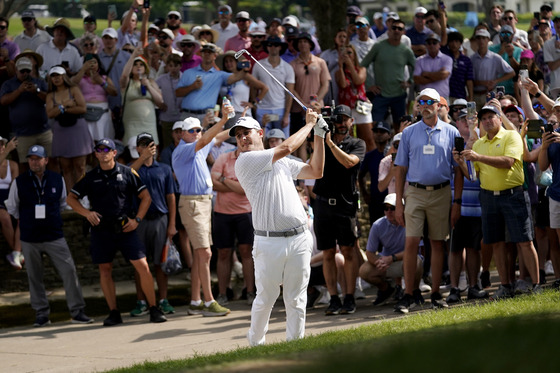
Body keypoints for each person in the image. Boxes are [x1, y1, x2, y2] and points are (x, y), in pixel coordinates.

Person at [232, 109, 326, 346]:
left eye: (247, 133)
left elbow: (316, 171)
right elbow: (285, 147)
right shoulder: (245, 160)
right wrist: (309, 125)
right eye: (238, 135)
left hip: (298, 238)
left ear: (260, 133)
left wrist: (320, 136)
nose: (242, 138)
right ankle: (255, 345)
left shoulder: (281, 161)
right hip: (268, 240)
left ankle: (296, 345)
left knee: (296, 298)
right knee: (266, 297)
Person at [67, 138, 167, 326]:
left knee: (143, 265)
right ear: (95, 154)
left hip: (125, 227)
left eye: (107, 149)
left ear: (114, 153)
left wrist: (137, 220)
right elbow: (71, 198)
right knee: (105, 269)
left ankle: (154, 308)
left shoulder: (128, 172)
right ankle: (114, 312)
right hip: (101, 230)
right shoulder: (90, 176)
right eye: (99, 149)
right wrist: (86, 213)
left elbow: (146, 198)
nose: (103, 152)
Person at [5, 145, 92, 327]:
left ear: (45, 160)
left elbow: (62, 203)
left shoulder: (56, 179)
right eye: (31, 158)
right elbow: (12, 208)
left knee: (69, 272)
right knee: (34, 277)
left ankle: (77, 311)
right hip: (30, 238)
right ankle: (41, 314)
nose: (34, 162)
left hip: (54, 236)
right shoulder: (19, 182)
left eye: (38, 158)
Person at [394, 88, 463, 313]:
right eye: (420, 102)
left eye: (429, 102)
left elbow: (459, 171)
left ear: (439, 105)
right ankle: (408, 294)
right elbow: (400, 168)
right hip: (414, 192)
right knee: (411, 242)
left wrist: (457, 202)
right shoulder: (409, 133)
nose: (424, 106)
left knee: (437, 243)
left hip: (442, 192)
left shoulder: (452, 132)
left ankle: (434, 293)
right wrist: (398, 202)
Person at [460, 105, 540, 297]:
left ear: (498, 118)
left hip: (513, 195)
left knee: (524, 240)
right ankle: (505, 285)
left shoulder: (511, 136)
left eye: (491, 117)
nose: (487, 121)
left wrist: (478, 157)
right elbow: (474, 175)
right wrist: (462, 163)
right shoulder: (478, 144)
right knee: (496, 242)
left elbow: (508, 162)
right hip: (488, 197)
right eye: (484, 118)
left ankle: (536, 285)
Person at [172, 111, 232, 317]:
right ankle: (209, 302)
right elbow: (209, 138)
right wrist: (223, 120)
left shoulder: (197, 145)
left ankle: (196, 301)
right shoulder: (184, 150)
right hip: (192, 204)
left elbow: (218, 137)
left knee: (201, 254)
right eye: (192, 131)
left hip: (204, 203)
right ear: (182, 134)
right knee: (205, 253)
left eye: (198, 130)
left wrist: (239, 126)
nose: (197, 133)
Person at [313, 105, 366, 316]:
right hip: (323, 204)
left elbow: (349, 163)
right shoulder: (322, 139)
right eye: (338, 120)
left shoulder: (357, 143)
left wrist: (330, 143)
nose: (341, 124)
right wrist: (319, 129)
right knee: (327, 253)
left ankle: (350, 297)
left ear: (352, 121)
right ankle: (333, 298)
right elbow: (313, 158)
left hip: (345, 205)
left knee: (347, 251)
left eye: (345, 120)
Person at [128, 133, 177, 316]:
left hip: (160, 220)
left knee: (160, 263)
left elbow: (171, 198)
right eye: (143, 144)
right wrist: (142, 158)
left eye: (150, 144)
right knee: (140, 264)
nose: (148, 147)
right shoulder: (133, 168)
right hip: (139, 221)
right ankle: (141, 301)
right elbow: (126, 176)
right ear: (138, 148)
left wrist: (172, 224)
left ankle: (163, 300)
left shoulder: (164, 169)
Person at [446, 108, 489, 303]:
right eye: (462, 119)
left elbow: (476, 175)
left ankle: (473, 286)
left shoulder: (483, 142)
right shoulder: (451, 145)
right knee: (455, 248)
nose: (466, 122)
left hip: (478, 204)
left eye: (470, 119)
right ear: (456, 123)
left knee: (474, 248)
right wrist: (456, 202)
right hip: (458, 203)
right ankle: (454, 288)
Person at [359, 193, 423, 306]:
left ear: (402, 208)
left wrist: (392, 258)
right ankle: (386, 289)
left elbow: (415, 250)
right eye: (386, 208)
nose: (389, 211)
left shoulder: (411, 222)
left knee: (416, 261)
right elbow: (369, 252)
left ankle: (415, 291)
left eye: (392, 208)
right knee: (364, 271)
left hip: (404, 260)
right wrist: (378, 262)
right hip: (387, 263)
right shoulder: (378, 225)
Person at [211, 145, 256, 306]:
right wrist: (233, 185)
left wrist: (223, 179)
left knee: (246, 251)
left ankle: (250, 291)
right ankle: (223, 293)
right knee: (223, 253)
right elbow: (213, 183)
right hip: (222, 213)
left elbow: (244, 189)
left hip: (246, 212)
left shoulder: (253, 160)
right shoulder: (223, 158)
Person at [361, 18, 415, 131]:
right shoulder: (378, 46)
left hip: (399, 94)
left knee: (400, 126)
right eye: (394, 28)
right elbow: (363, 65)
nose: (396, 30)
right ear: (388, 30)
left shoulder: (406, 50)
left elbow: (417, 67)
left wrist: (410, 81)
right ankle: (377, 149)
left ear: (403, 32)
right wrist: (369, 85)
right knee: (375, 126)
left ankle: (397, 147)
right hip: (380, 94)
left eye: (400, 28)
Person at [45, 66, 92, 192]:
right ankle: (71, 197)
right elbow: (50, 113)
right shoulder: (50, 95)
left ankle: (83, 194)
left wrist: (60, 109)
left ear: (64, 76)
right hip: (61, 129)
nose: (56, 78)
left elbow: (82, 108)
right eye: (53, 76)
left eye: (58, 75)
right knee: (66, 166)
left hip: (77, 128)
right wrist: (64, 105)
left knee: (80, 165)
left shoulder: (74, 89)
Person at [0, 57, 50, 174]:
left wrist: (36, 91)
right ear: (16, 70)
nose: (25, 74)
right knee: (24, 164)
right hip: (21, 133)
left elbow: (50, 99)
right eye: (22, 71)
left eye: (28, 71)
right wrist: (19, 91)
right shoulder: (8, 84)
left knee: (48, 161)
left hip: (43, 131)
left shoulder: (39, 82)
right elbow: (3, 101)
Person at [175, 43, 246, 123]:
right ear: (201, 54)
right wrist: (192, 87)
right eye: (205, 52)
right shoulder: (188, 73)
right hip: (187, 114)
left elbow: (236, 77)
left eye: (210, 52)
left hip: (207, 116)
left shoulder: (220, 75)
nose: (207, 54)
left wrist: (245, 70)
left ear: (214, 56)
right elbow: (177, 93)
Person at [120, 49, 163, 148]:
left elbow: (160, 102)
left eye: (141, 64)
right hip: (131, 124)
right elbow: (124, 75)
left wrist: (148, 86)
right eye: (135, 64)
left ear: (145, 68)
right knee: (132, 150)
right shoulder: (127, 83)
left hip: (149, 124)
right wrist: (134, 55)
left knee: (150, 150)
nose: (138, 66)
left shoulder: (151, 82)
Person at [252, 36, 295, 138]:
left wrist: (286, 115)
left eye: (276, 45)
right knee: (262, 141)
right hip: (262, 109)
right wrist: (255, 106)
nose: (273, 47)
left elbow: (289, 93)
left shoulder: (287, 67)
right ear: (267, 47)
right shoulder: (258, 65)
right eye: (270, 45)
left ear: (280, 47)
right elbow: (253, 88)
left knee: (283, 143)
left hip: (281, 109)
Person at [71, 53, 118, 142]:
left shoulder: (104, 78)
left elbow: (114, 92)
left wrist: (101, 82)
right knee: (87, 142)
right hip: (86, 112)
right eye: (89, 62)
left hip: (103, 113)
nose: (92, 65)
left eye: (94, 62)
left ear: (98, 64)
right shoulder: (80, 78)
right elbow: (71, 84)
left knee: (102, 141)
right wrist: (83, 70)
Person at [336, 44, 374, 151]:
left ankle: (369, 163)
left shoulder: (361, 69)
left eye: (349, 53)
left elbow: (358, 81)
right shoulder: (338, 72)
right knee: (349, 139)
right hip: (347, 108)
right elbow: (343, 84)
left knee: (368, 138)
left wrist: (350, 65)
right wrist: (341, 67)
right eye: (344, 54)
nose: (347, 56)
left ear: (354, 55)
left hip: (361, 107)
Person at [98, 27, 132, 139]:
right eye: (106, 38)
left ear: (116, 40)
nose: (108, 41)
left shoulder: (126, 56)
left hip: (122, 100)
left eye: (111, 38)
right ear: (102, 40)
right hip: (104, 101)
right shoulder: (97, 58)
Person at [470, 29, 515, 109]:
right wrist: (481, 83)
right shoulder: (472, 58)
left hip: (490, 94)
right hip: (475, 95)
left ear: (488, 40)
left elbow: (511, 73)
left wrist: (496, 81)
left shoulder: (495, 57)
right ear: (476, 40)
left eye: (484, 38)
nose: (481, 41)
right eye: (479, 38)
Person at [0, 137, 22, 269]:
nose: (2, 147)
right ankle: (17, 253)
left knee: (23, 217)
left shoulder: (13, 165)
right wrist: (8, 149)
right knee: (5, 218)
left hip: (8, 198)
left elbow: (14, 187)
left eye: (2, 145)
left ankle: (16, 252)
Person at [413, 33, 453, 100]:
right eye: (429, 43)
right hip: (425, 99)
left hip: (442, 98)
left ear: (439, 44)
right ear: (426, 45)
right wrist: (437, 76)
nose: (431, 45)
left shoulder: (447, 59)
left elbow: (443, 75)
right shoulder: (419, 60)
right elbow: (416, 79)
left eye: (434, 42)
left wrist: (426, 74)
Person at [443, 32, 474, 102]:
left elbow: (469, 80)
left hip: (460, 96)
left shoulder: (466, 60)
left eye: (456, 41)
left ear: (460, 44)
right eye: (451, 41)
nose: (454, 44)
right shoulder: (444, 58)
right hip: (446, 95)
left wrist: (471, 97)